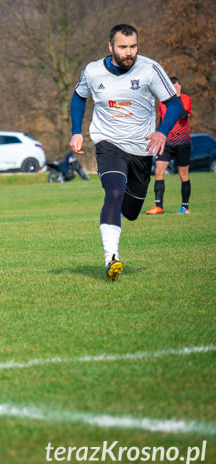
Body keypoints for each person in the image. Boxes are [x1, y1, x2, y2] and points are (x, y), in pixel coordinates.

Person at [69, 24, 183, 281]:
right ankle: (112, 257)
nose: (128, 52)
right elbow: (79, 96)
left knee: (130, 211)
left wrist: (162, 131)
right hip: (108, 142)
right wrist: (77, 130)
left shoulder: (150, 69)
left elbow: (173, 103)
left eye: (133, 46)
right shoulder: (93, 71)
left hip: (141, 149)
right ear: (111, 47)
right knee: (114, 192)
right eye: (123, 47)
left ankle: (114, 216)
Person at [146, 76, 192, 215]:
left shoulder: (185, 99)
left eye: (176, 86)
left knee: (183, 174)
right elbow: (162, 121)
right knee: (159, 171)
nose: (173, 88)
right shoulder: (162, 102)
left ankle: (184, 207)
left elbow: (183, 116)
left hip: (183, 143)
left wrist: (177, 96)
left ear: (180, 86)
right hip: (167, 142)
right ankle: (158, 206)